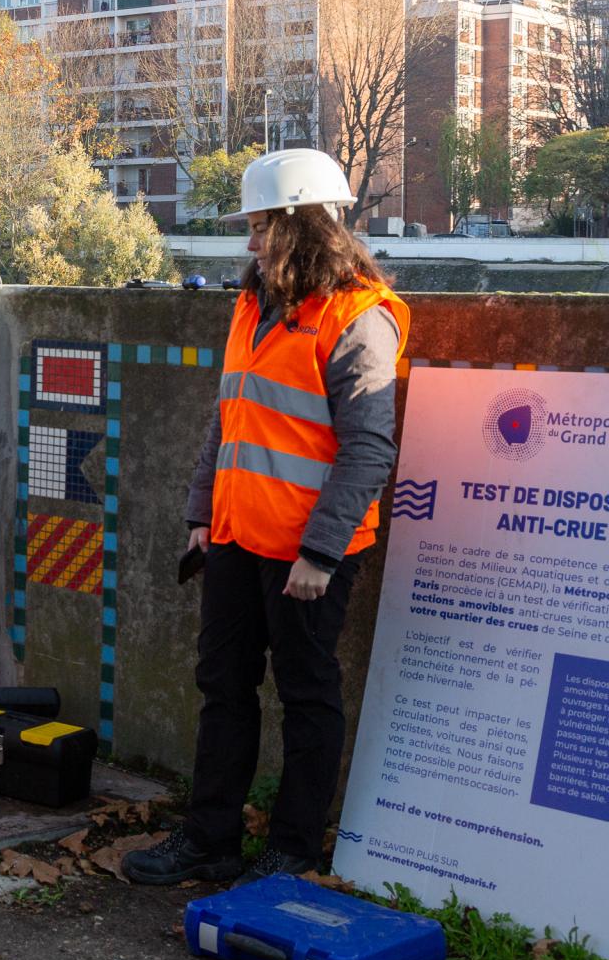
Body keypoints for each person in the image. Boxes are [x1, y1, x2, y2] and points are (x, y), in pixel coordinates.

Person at [126, 149, 408, 887]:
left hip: (307, 555)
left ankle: (292, 850)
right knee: (223, 687)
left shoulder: (358, 319)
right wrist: (199, 514)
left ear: (303, 226)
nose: (249, 244)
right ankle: (210, 841)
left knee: (309, 697)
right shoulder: (254, 306)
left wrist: (319, 553)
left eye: (259, 228)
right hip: (235, 537)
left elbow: (369, 449)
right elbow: (230, 421)